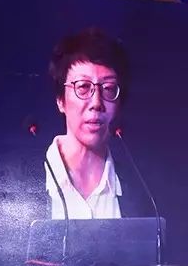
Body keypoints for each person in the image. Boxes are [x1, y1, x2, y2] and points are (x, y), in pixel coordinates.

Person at [44, 28, 151, 219]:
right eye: (83, 87)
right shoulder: (32, 174)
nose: (96, 103)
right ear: (60, 100)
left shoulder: (141, 187)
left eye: (108, 88)